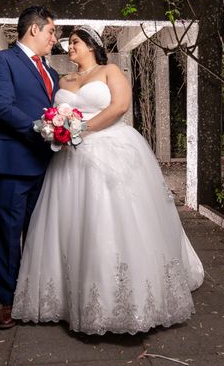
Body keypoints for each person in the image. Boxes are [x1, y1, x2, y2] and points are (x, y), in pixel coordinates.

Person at [12, 25, 204, 335]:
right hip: (69, 157)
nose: (69, 47)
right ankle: (69, 297)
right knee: (71, 223)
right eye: (67, 43)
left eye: (74, 42)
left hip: (110, 147)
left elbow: (120, 106)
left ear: (90, 45)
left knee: (111, 217)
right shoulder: (63, 80)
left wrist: (81, 130)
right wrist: (56, 127)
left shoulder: (110, 70)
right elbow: (52, 111)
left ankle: (126, 298)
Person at [0, 6, 59, 330]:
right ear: (34, 30)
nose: (55, 39)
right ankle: (9, 301)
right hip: (13, 163)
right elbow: (3, 107)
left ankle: (36, 295)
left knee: (40, 235)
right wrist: (44, 131)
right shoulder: (1, 60)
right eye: (51, 31)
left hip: (48, 167)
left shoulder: (52, 73)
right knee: (8, 234)